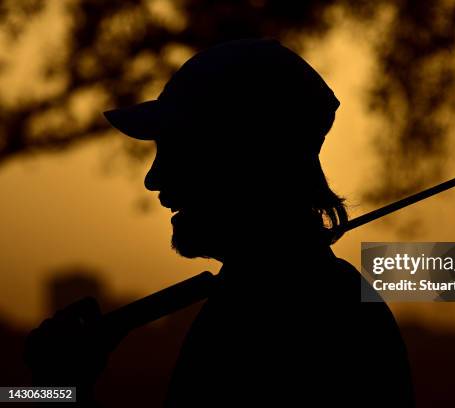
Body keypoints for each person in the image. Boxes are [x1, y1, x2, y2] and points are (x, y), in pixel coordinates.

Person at [25, 38, 414, 407]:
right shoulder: (269, 299)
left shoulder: (290, 318)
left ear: (244, 160)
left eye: (178, 151)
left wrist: (59, 392)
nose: (154, 179)